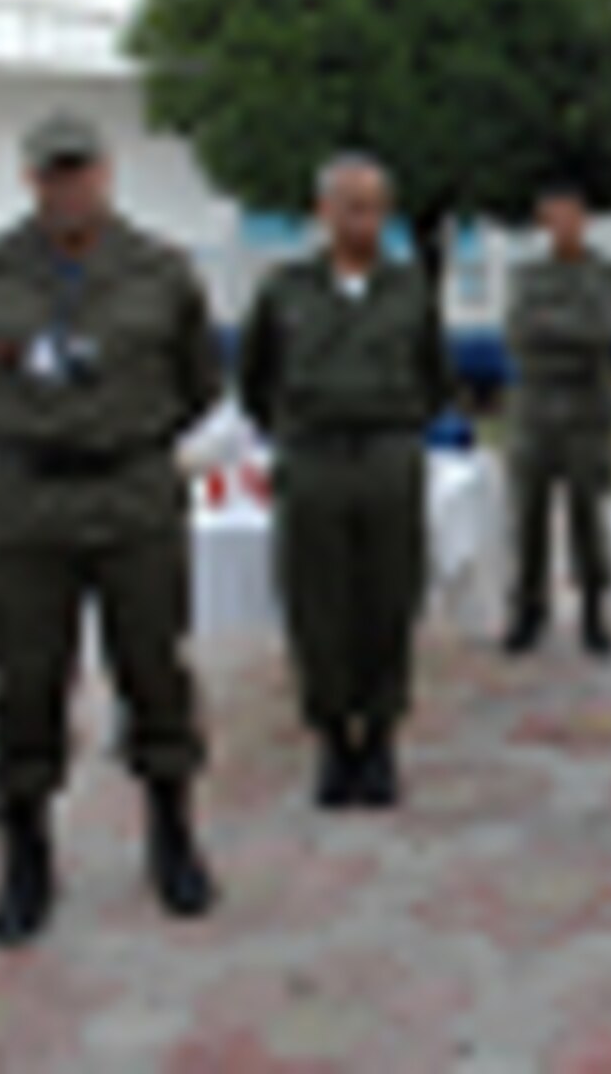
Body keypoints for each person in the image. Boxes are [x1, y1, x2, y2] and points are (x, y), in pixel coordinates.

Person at [0, 111, 221, 947]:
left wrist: (127, 440)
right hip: (30, 505)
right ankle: (27, 856)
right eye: (52, 174)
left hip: (134, 499)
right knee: (25, 682)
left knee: (154, 670)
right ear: (30, 180)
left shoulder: (163, 272)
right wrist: (31, 443)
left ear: (107, 173)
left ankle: (172, 837)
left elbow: (198, 384)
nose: (69, 188)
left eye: (82, 171)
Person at [237, 154, 448, 808]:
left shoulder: (410, 287)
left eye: (375, 207)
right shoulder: (284, 289)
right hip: (313, 459)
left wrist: (401, 425)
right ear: (322, 211)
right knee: (316, 605)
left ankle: (380, 738)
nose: (364, 220)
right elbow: (254, 380)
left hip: (389, 457)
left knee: (389, 599)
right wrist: (293, 431)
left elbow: (433, 374)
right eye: (350, 206)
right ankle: (333, 741)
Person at [502, 184, 611, 659]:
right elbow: (518, 333)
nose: (563, 226)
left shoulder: (607, 274)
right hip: (533, 411)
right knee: (527, 516)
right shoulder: (526, 275)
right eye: (553, 217)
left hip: (586, 412)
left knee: (588, 516)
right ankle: (528, 610)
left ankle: (595, 610)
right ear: (542, 223)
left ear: (585, 220)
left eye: (571, 216)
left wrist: (552, 327)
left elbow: (602, 332)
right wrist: (567, 331)